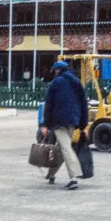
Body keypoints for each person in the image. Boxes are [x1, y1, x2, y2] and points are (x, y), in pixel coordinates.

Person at [41, 61, 89, 190]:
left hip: (58, 121)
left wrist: (45, 125)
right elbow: (84, 103)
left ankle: (73, 178)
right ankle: (51, 174)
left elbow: (49, 104)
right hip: (73, 120)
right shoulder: (77, 82)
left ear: (57, 70)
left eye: (54, 71)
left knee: (66, 147)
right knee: (63, 147)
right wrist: (84, 124)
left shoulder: (55, 83)